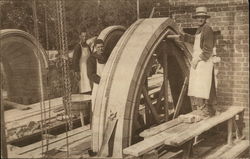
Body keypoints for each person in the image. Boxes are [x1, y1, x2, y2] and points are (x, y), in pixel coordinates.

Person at [181, 6, 216, 118]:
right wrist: (185, 37)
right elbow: (196, 41)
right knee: (200, 86)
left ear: (205, 18)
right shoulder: (199, 29)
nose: (200, 19)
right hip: (200, 62)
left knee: (206, 85)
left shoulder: (207, 29)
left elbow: (207, 50)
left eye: (202, 17)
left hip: (204, 62)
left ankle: (209, 110)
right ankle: (204, 108)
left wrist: (197, 59)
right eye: (198, 17)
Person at [87, 39, 107, 112]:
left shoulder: (107, 57)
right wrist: (101, 81)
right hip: (97, 85)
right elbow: (90, 74)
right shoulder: (91, 59)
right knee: (97, 105)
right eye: (98, 47)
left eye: (102, 47)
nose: (100, 49)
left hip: (107, 84)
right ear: (95, 47)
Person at [72, 28, 92, 94]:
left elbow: (91, 57)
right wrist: (76, 71)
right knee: (83, 85)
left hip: (88, 67)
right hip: (81, 68)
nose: (84, 38)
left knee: (89, 84)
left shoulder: (88, 47)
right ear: (80, 37)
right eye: (83, 36)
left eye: (86, 36)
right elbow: (75, 60)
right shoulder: (78, 47)